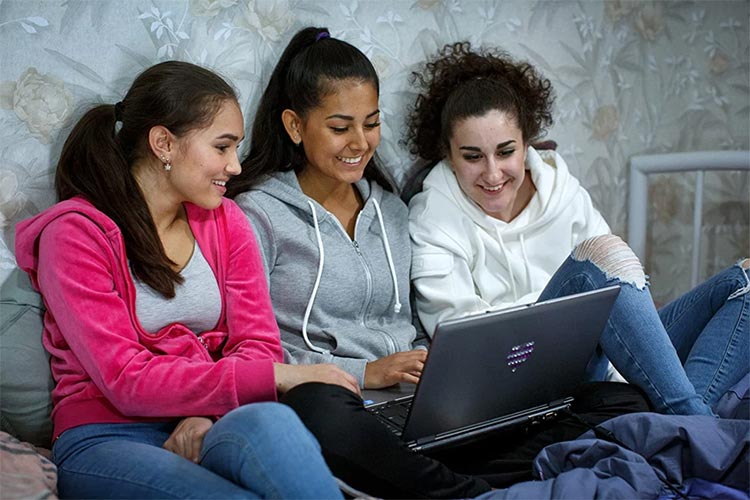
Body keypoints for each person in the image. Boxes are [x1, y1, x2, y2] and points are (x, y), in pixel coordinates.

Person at [228, 27, 652, 498]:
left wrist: (447, 374)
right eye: (340, 128)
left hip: (419, 407)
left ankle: (450, 482)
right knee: (317, 408)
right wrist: (367, 372)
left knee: (619, 400)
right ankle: (467, 492)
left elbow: (416, 325)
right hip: (338, 400)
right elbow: (245, 351)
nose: (360, 142)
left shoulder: (391, 211)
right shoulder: (258, 215)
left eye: (371, 123)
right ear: (294, 126)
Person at [14, 60, 356, 499]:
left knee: (272, 422)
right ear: (164, 144)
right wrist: (277, 376)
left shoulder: (226, 220)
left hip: (207, 421)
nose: (235, 166)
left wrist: (206, 413)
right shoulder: (75, 236)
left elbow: (258, 342)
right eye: (222, 147)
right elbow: (126, 379)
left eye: (236, 148)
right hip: (106, 435)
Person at [405, 41, 750, 417]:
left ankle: (689, 425)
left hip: (606, 359)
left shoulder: (561, 190)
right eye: (472, 157)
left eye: (506, 152)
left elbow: (619, 287)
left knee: (745, 282)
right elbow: (467, 346)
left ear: (526, 144)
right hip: (524, 378)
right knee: (598, 260)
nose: (492, 173)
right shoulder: (433, 216)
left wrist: (606, 326)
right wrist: (576, 320)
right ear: (448, 154)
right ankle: (693, 421)